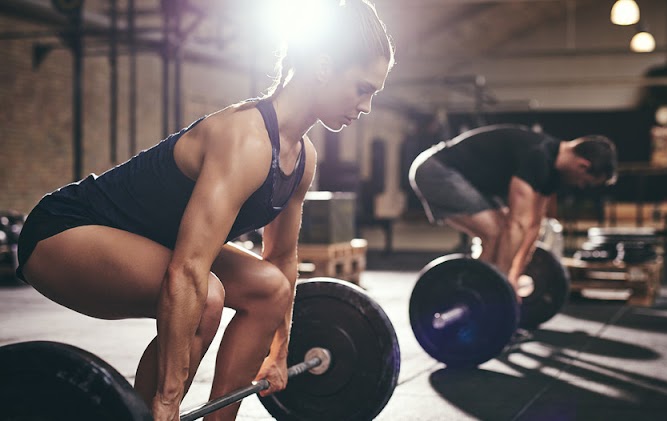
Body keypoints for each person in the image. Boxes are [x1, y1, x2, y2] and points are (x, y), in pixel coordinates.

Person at [15, 1, 394, 420]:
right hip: (63, 234)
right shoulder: (246, 139)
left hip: (152, 244)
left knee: (269, 286)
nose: (366, 106)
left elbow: (282, 259)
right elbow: (188, 271)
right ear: (324, 66)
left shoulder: (302, 158)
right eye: (363, 88)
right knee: (206, 295)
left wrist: (280, 352)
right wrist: (167, 399)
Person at [409, 124, 617, 292]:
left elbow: (534, 226)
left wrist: (514, 276)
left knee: (500, 234)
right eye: (587, 182)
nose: (582, 187)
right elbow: (517, 224)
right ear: (583, 165)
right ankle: (473, 294)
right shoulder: (537, 156)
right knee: (497, 232)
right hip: (436, 169)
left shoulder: (553, 173)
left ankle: (477, 292)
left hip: (469, 182)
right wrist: (503, 284)